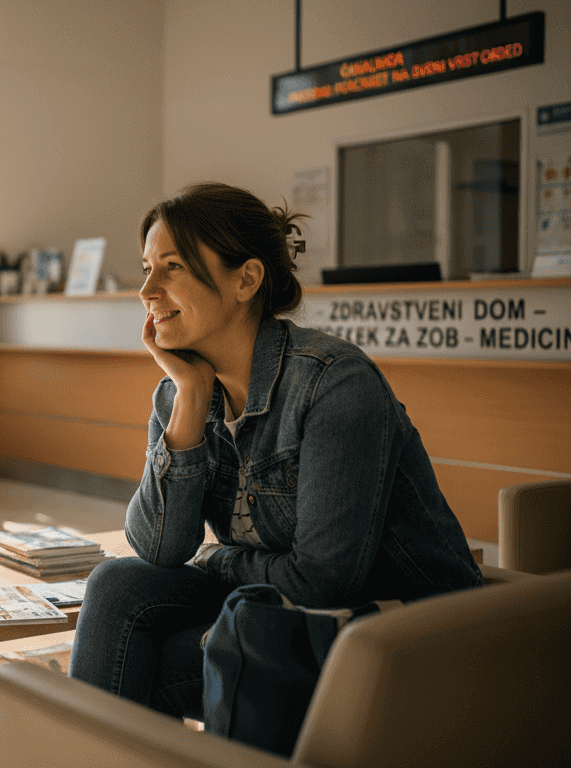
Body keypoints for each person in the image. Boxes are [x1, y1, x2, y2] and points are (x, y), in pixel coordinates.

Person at [67, 182, 482, 721]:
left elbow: (324, 581)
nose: (147, 289)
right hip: (285, 616)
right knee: (117, 584)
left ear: (246, 279)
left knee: (143, 662)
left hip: (398, 631)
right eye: (146, 268)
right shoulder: (180, 388)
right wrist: (191, 398)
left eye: (171, 267)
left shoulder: (334, 384)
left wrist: (218, 561)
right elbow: (159, 546)